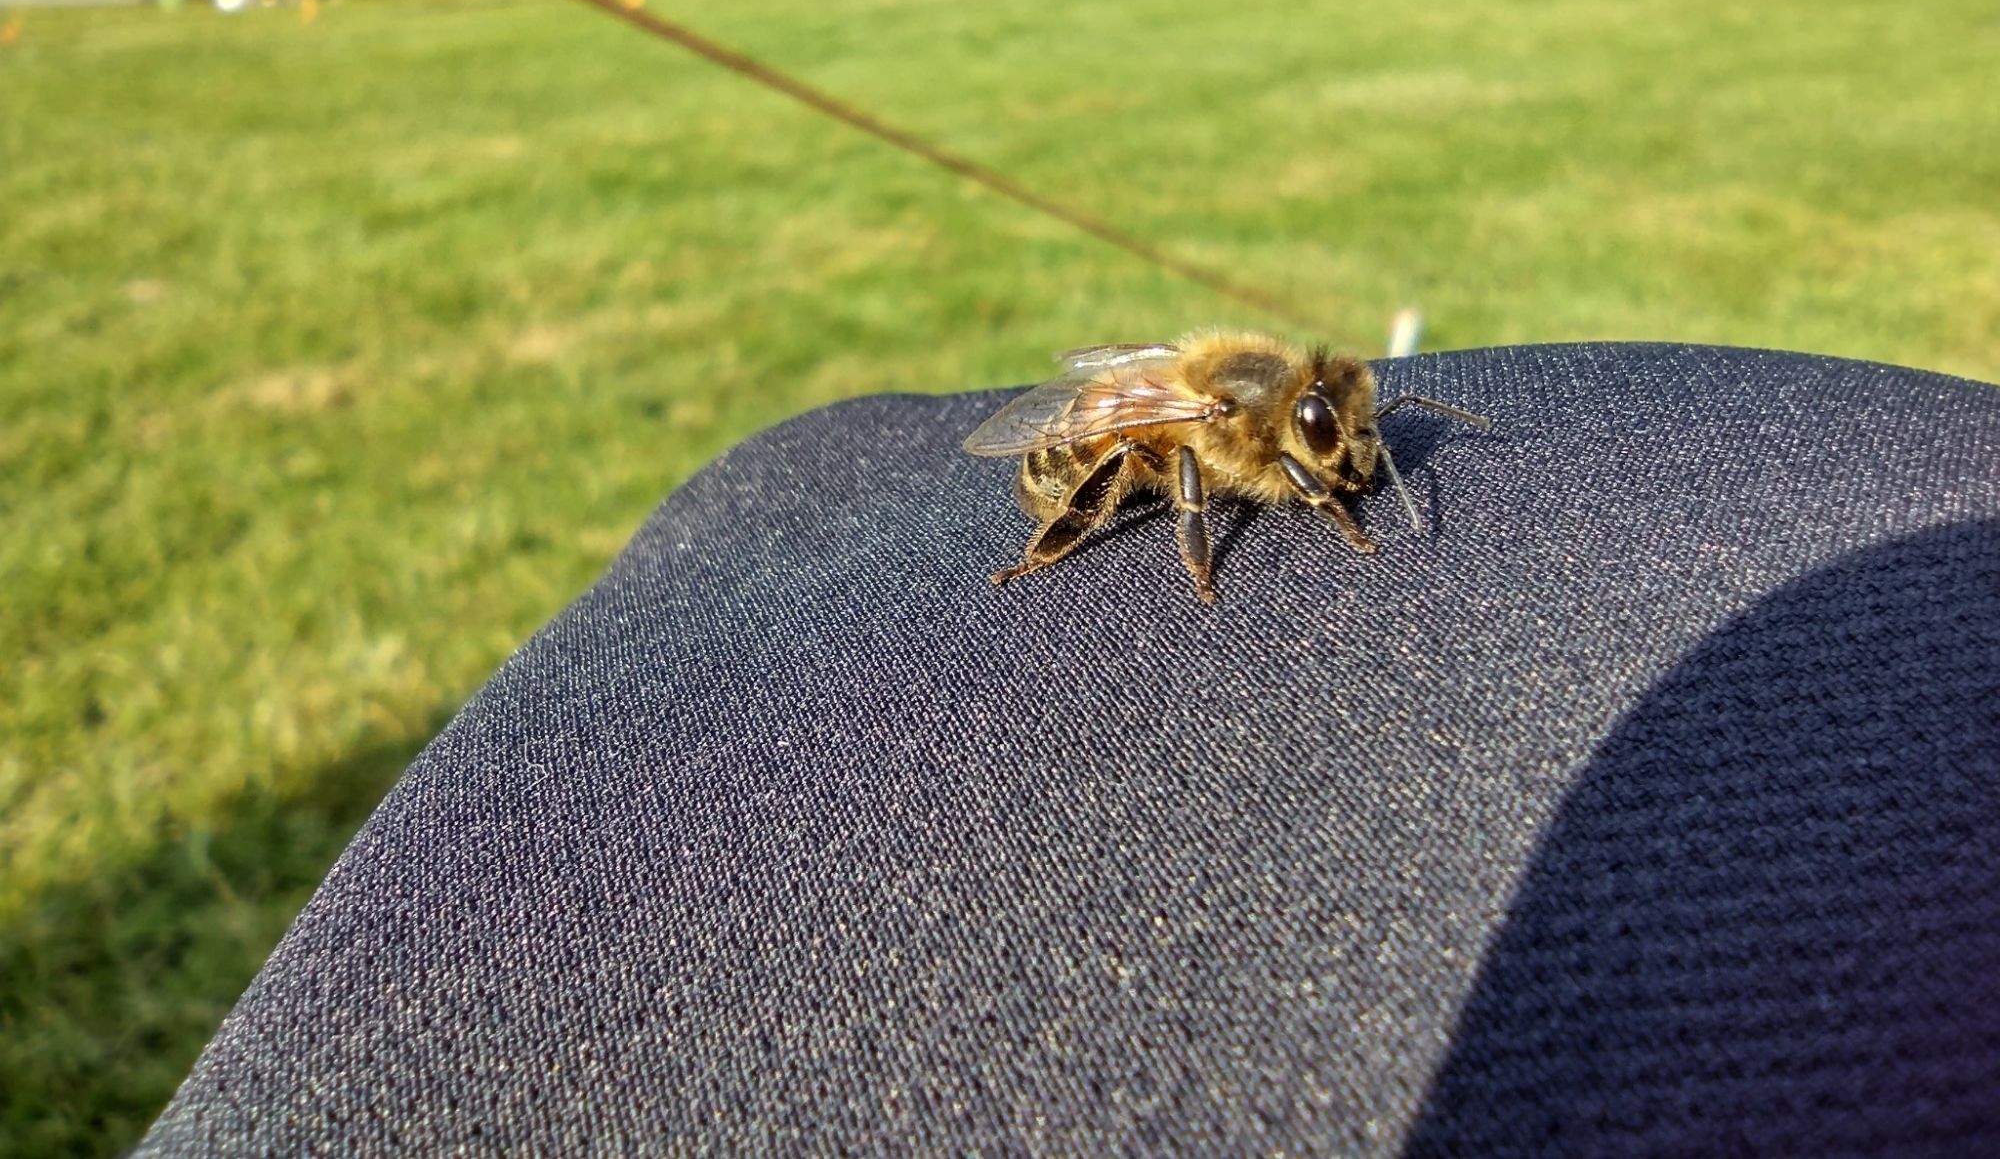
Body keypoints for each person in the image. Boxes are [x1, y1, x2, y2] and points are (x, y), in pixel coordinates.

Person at [135, 342, 2000, 1155]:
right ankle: (1056, 556)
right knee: (1143, 483)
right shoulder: (1217, 428)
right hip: (1097, 452)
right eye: (1336, 449)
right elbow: (1175, 435)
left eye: (1348, 450)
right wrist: (1224, 523)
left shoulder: (1309, 397)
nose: (1348, 462)